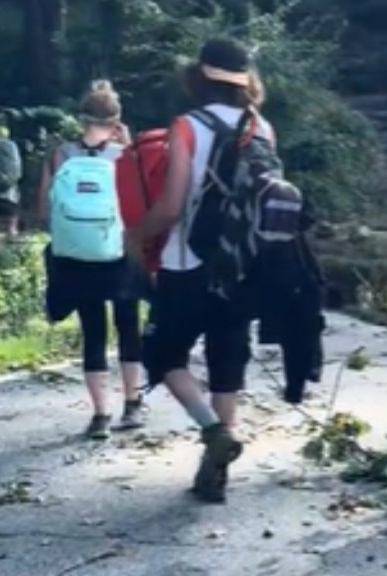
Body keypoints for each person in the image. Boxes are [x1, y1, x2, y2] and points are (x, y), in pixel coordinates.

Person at [126, 37, 271, 503]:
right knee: (228, 362)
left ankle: (213, 433)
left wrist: (135, 236)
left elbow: (170, 207)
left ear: (199, 77)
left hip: (186, 264)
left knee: (162, 354)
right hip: (242, 267)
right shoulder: (262, 129)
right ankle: (217, 469)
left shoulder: (187, 126)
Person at [36, 79, 146, 440]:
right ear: (117, 120)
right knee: (128, 324)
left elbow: (43, 209)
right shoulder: (125, 156)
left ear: (81, 118)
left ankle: (101, 415)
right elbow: (139, 204)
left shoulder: (61, 155)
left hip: (77, 256)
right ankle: (132, 404)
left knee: (93, 331)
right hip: (117, 251)